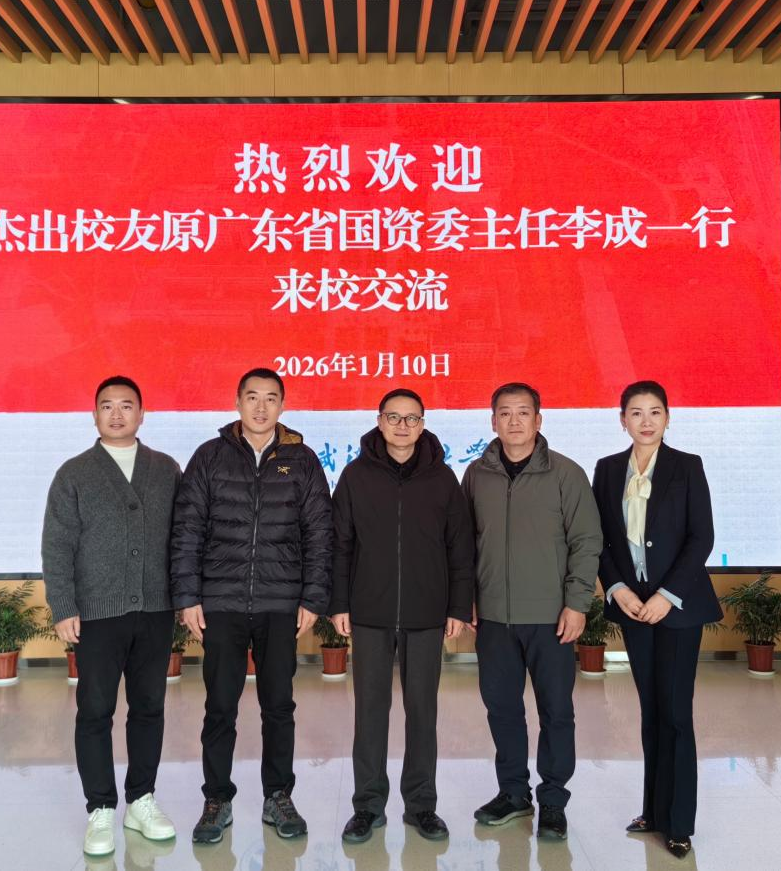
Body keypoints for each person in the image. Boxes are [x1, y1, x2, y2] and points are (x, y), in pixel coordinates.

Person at [170, 367, 332, 844]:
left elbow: (319, 533)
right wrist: (188, 597)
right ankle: (216, 799)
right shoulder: (210, 456)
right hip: (220, 602)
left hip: (281, 603)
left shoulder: (302, 461)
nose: (261, 407)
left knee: (278, 705)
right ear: (237, 402)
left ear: (283, 405)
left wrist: (313, 598)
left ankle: (278, 795)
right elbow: (187, 530)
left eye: (271, 398)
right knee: (220, 706)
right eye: (252, 397)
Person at [41, 375, 182, 857]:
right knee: (95, 710)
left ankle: (141, 800)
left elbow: (183, 539)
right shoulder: (74, 473)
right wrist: (63, 606)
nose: (117, 414)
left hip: (156, 610)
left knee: (149, 707)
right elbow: (57, 544)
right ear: (94, 414)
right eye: (107, 406)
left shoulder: (166, 469)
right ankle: (100, 807)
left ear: (142, 414)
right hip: (97, 615)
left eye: (126, 405)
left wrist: (185, 597)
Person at [329, 388, 474, 844]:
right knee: (370, 712)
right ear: (379, 421)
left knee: (422, 712)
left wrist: (458, 606)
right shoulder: (355, 476)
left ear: (423, 424)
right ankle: (367, 807)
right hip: (369, 612)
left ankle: (421, 806)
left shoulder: (443, 479)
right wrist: (339, 603)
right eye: (394, 417)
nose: (403, 426)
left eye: (412, 418)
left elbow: (460, 548)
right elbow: (340, 545)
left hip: (427, 612)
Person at [461, 382, 602, 840]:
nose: (515, 421)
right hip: (494, 618)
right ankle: (513, 793)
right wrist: (467, 597)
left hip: (550, 617)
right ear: (493, 421)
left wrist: (577, 604)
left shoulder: (566, 473)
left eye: (524, 412)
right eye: (505, 413)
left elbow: (586, 542)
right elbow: (462, 543)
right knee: (502, 709)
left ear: (539, 420)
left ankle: (554, 800)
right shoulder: (476, 475)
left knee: (556, 711)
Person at [593, 380, 722, 860]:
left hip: (677, 608)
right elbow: (599, 539)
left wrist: (668, 596)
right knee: (651, 711)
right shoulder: (608, 470)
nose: (645, 421)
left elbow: (701, 538)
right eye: (636, 412)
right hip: (632, 607)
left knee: (676, 714)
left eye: (655, 412)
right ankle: (652, 810)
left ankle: (679, 822)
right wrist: (617, 588)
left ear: (668, 418)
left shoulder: (687, 466)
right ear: (622, 419)